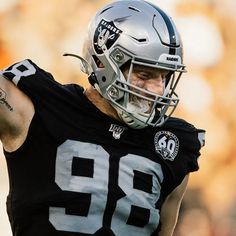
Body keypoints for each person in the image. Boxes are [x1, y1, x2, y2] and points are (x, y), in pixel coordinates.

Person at [0, 0, 205, 235]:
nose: (158, 90)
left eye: (164, 77)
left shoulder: (174, 145)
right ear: (101, 63)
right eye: (145, 74)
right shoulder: (38, 107)